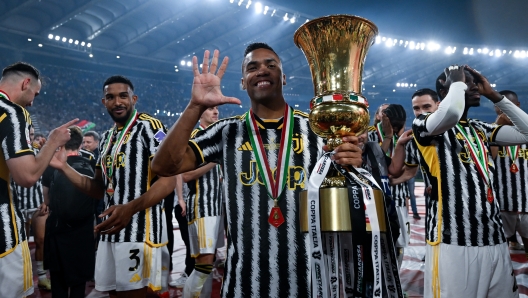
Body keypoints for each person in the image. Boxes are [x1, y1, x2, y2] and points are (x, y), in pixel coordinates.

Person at [151, 45, 364, 297]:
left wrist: (351, 164)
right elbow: (162, 166)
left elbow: (345, 200)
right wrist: (195, 106)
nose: (262, 70)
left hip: (310, 281)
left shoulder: (318, 130)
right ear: (243, 82)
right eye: (252, 67)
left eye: (271, 65)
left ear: (283, 78)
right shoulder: (226, 132)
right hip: (244, 283)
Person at [49, 75, 177, 298]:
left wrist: (130, 208)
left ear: (133, 98)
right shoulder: (107, 137)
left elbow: (169, 179)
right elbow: (98, 188)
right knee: (114, 294)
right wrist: (64, 168)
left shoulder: (151, 127)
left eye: (123, 96)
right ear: (104, 102)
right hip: (110, 233)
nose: (117, 102)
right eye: (110, 97)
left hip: (140, 232)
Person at [413, 65, 528, 298]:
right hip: (454, 240)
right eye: (468, 83)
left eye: (475, 82)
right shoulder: (425, 125)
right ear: (447, 91)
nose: (474, 86)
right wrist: (455, 81)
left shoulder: (480, 129)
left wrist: (495, 96)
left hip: (493, 237)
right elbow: (451, 114)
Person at [0, 61, 75, 298]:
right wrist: (53, 140)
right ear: (26, 84)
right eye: (35, 94)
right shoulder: (12, 112)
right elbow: (27, 176)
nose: (33, 102)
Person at [41, 125, 97, 298]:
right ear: (80, 144)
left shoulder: (51, 163)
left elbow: (46, 198)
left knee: (58, 284)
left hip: (58, 231)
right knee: (79, 284)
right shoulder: (91, 163)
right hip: (83, 232)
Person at [182, 106, 224, 298]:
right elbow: (186, 175)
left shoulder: (217, 137)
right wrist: (213, 161)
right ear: (200, 114)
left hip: (217, 207)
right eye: (210, 109)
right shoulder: (194, 137)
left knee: (209, 262)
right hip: (202, 206)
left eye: (216, 109)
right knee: (204, 263)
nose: (215, 112)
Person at [368, 104, 412, 268]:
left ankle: (397, 284)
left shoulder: (404, 138)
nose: (387, 114)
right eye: (383, 111)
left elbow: (406, 169)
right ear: (378, 116)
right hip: (377, 200)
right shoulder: (370, 135)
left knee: (399, 245)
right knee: (377, 244)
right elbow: (375, 166)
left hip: (399, 199)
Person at [11, 124, 51, 290]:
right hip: (18, 206)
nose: (30, 137)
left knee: (41, 240)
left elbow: (48, 179)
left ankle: (42, 277)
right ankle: (24, 277)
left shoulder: (40, 154)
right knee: (23, 245)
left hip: (37, 204)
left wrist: (46, 201)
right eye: (28, 133)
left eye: (33, 134)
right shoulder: (11, 154)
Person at [491, 90, 528, 257]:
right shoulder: (491, 132)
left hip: (527, 201)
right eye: (500, 108)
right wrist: (497, 126)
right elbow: (487, 159)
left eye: (508, 107)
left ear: (518, 106)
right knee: (499, 247)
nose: (504, 112)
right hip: (503, 200)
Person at [170, 175, 194, 288]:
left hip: (187, 201)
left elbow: (181, 175)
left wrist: (180, 199)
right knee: (191, 240)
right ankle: (191, 271)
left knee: (190, 240)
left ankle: (190, 272)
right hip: (187, 200)